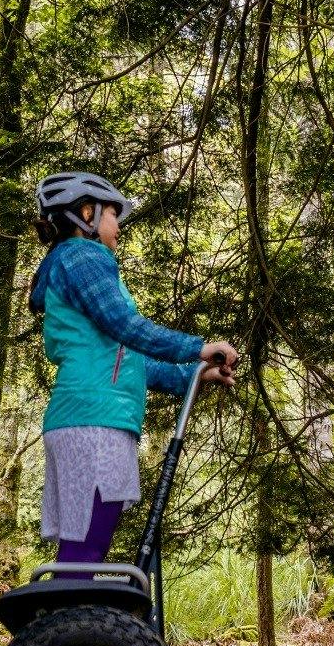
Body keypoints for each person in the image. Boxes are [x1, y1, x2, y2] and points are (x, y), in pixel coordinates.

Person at [27, 172, 238, 571]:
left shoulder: (82, 263)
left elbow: (128, 357)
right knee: (84, 555)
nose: (119, 225)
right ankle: (57, 632)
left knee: (85, 553)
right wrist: (198, 346)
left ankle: (60, 631)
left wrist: (195, 373)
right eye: (113, 214)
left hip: (92, 420)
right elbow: (128, 327)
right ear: (85, 214)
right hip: (93, 423)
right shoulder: (82, 257)